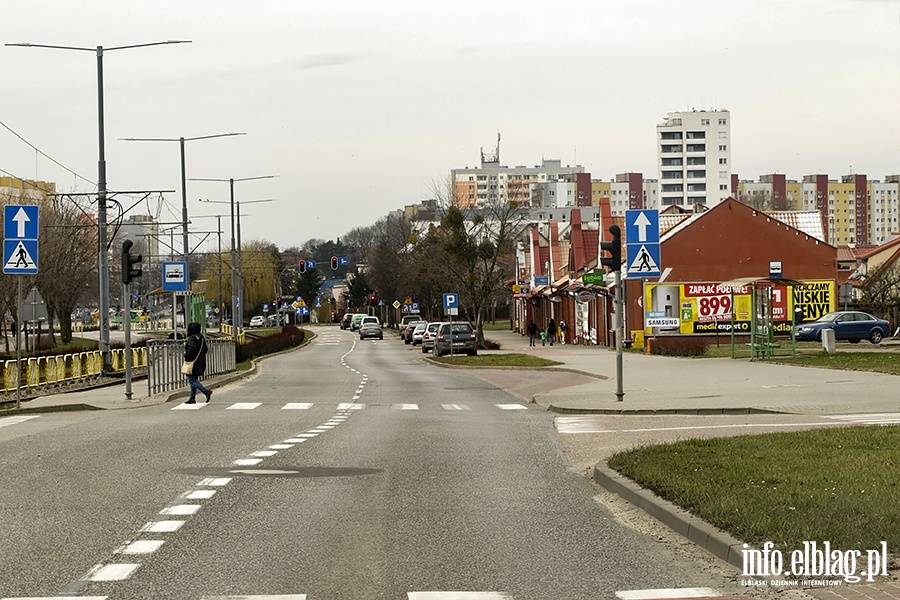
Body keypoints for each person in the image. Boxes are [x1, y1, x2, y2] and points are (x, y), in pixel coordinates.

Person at [184, 321, 212, 404]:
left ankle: (206, 391)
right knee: (193, 379)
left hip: (193, 362)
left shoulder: (192, 338)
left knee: (192, 380)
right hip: (200, 361)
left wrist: (186, 355)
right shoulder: (202, 337)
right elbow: (205, 349)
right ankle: (192, 398)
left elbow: (192, 348)